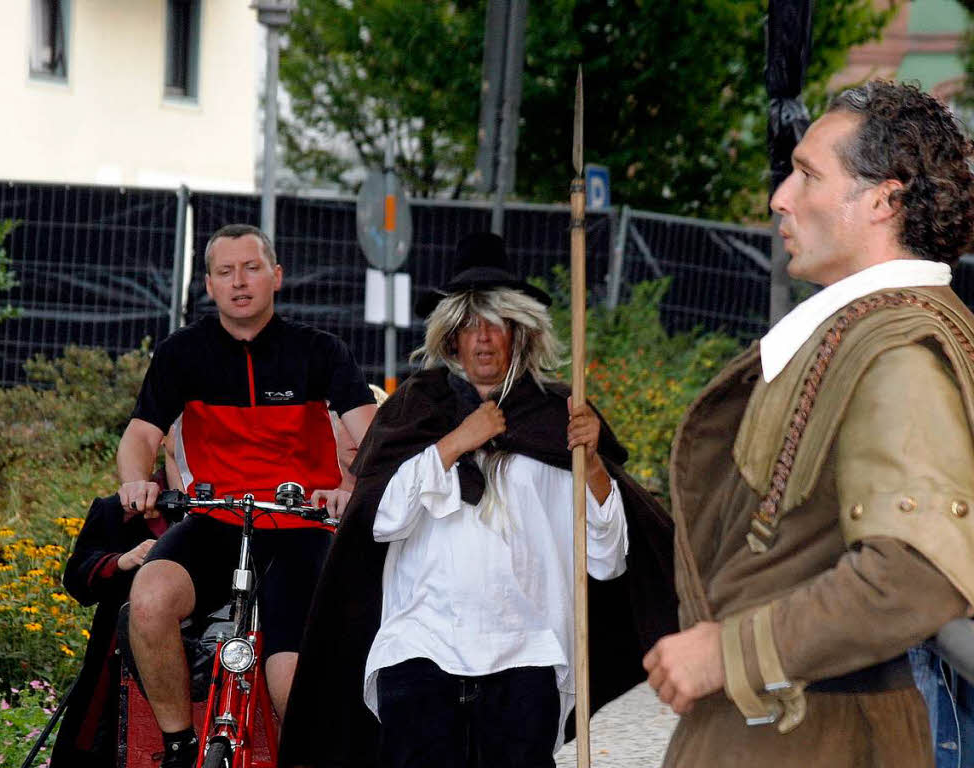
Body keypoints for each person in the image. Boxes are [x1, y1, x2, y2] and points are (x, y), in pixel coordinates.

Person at [643, 80, 974, 768]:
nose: (780, 199)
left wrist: (726, 654)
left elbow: (915, 573)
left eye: (807, 174)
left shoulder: (897, 349)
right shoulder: (862, 334)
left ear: (887, 198)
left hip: (813, 735)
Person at [279, 232, 678, 767]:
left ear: (520, 334)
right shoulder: (416, 409)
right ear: (450, 340)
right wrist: (456, 442)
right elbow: (382, 517)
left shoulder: (558, 415)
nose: (483, 339)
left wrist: (595, 463)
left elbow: (605, 560)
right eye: (469, 326)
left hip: (528, 648)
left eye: (495, 324)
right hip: (421, 644)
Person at [118, 224, 377, 768]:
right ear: (208, 285)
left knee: (289, 679)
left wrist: (350, 488)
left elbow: (375, 435)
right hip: (216, 522)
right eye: (225, 272)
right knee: (148, 599)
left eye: (252, 268)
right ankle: (178, 744)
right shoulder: (180, 354)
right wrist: (136, 480)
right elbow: (141, 434)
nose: (240, 282)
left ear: (276, 276)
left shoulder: (321, 352)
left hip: (302, 528)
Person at [49, 449, 180, 767]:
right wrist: (124, 560)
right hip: (113, 672)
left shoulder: (229, 512)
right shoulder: (114, 510)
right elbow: (77, 580)